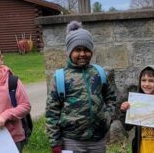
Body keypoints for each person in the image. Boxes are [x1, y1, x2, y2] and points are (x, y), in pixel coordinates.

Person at [45, 20, 116, 153]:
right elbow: (52, 112)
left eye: (86, 50)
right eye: (77, 50)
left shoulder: (99, 73)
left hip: (97, 140)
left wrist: (108, 117)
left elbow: (110, 97)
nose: (82, 54)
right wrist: (55, 142)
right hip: (71, 141)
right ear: (69, 52)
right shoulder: (60, 77)